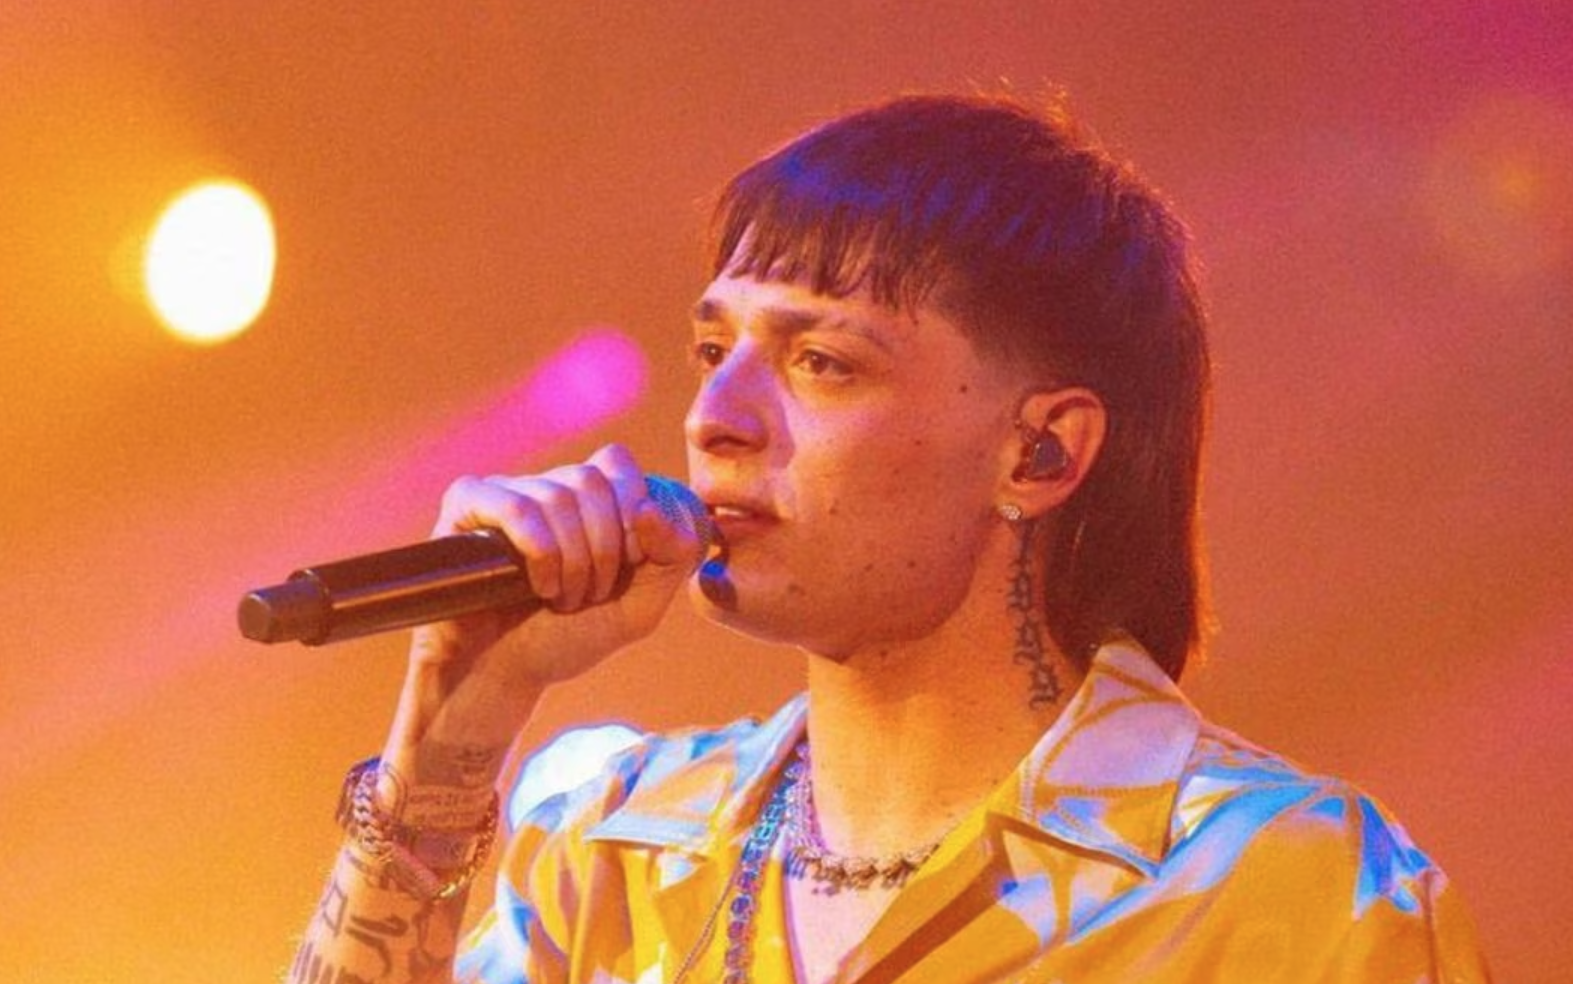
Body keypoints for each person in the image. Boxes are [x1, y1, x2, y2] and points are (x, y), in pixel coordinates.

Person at [287, 93, 1490, 984]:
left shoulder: (1285, 888)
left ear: (1041, 453)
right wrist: (451, 734)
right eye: (712, 352)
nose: (713, 418)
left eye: (820, 362)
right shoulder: (610, 841)